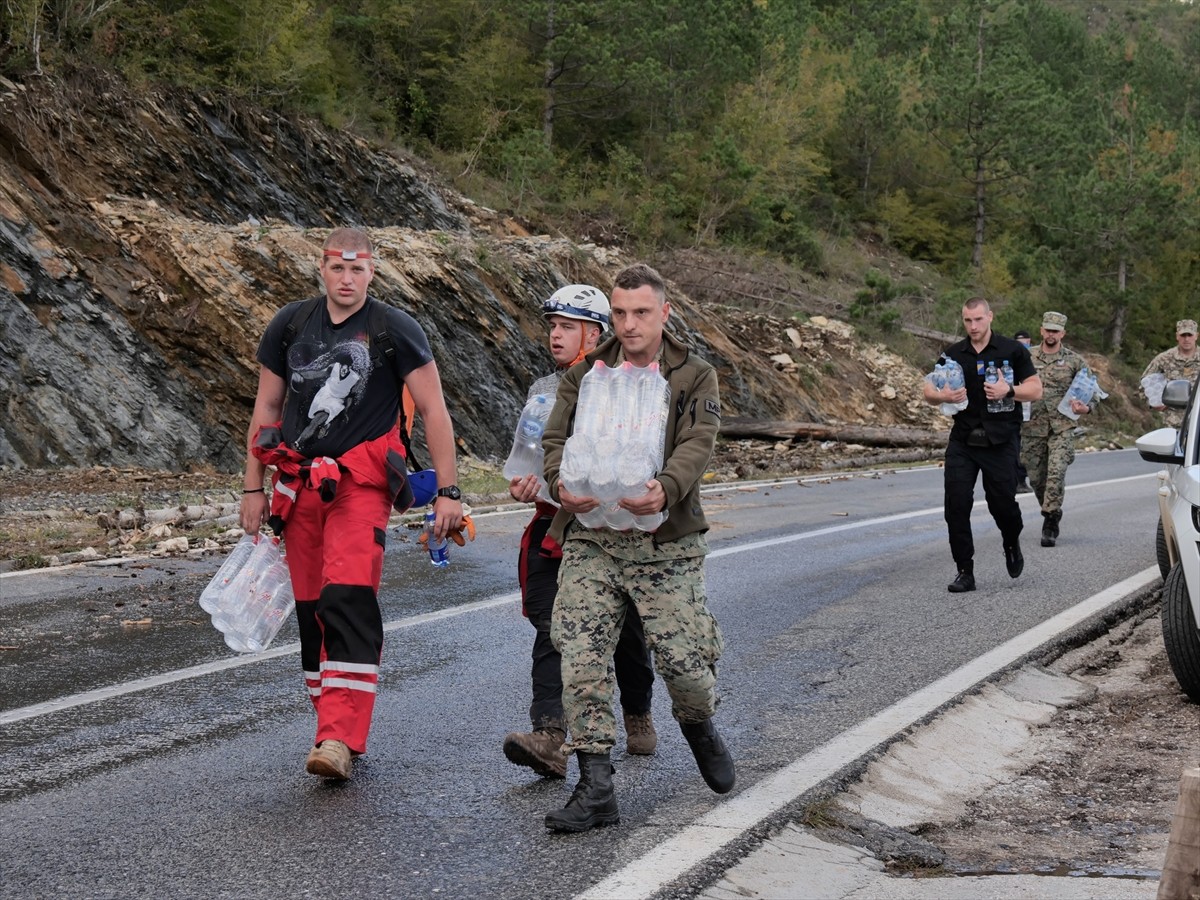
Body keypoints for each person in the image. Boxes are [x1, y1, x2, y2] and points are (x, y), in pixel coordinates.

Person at [239, 227, 464, 781]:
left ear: (372, 270)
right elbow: (267, 406)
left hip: (360, 486)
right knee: (314, 615)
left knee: (348, 598)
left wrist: (450, 493)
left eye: (358, 269)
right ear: (322, 267)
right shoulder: (291, 323)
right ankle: (330, 725)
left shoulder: (393, 329)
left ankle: (339, 737)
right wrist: (251, 487)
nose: (347, 279)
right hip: (297, 488)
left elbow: (434, 410)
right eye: (338, 269)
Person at [541, 262, 733, 833]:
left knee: (684, 664)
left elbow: (700, 441)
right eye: (620, 313)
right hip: (594, 539)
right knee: (579, 653)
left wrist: (667, 489)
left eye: (641, 313)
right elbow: (557, 439)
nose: (629, 325)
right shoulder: (585, 377)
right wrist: (558, 483)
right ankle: (596, 784)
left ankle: (699, 726)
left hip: (665, 544)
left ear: (664, 313)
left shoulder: (694, 375)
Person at [502, 285, 657, 780]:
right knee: (555, 628)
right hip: (554, 524)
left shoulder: (626, 386)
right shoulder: (540, 391)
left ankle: (637, 709)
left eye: (567, 326)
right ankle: (549, 735)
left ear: (595, 332)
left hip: (610, 526)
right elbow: (528, 460)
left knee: (628, 631)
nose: (555, 335)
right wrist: (526, 485)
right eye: (552, 326)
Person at [922, 297, 1043, 593]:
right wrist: (943, 397)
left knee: (1002, 504)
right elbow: (928, 388)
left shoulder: (1011, 350)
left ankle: (1011, 540)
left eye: (978, 319)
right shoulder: (953, 353)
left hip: (1001, 440)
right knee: (956, 504)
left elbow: (1036, 389)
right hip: (963, 439)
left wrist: (1009, 390)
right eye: (968, 320)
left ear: (990, 317)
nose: (973, 326)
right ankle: (965, 571)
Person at [1020, 312, 1093, 549]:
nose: (1051, 334)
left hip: (1062, 426)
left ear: (1063, 333)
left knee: (1056, 472)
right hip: (1032, 426)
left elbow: (1092, 390)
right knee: (1036, 478)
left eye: (1056, 331)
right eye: (1048, 330)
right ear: (1041, 330)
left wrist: (1086, 407)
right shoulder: (1025, 356)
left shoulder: (1074, 361)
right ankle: (1052, 509)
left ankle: (1050, 520)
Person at [1142, 320, 1200, 429]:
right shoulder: (1164, 359)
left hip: (1198, 424)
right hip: (1172, 424)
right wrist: (1155, 403)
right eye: (1183, 335)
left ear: (1196, 336)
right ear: (1177, 336)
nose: (1186, 339)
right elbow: (1144, 384)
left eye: (1190, 335)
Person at [1012, 329, 1033, 494]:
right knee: (1014, 447)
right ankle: (1015, 481)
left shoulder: (1033, 360)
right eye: (1020, 343)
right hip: (1014, 411)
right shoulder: (1008, 360)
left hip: (1032, 412)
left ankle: (1022, 480)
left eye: (1025, 342)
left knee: (1026, 449)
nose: (1023, 346)